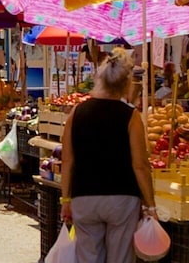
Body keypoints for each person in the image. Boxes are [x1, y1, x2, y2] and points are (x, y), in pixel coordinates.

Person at [60, 48, 159, 263]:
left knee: (88, 257)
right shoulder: (131, 116)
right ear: (126, 83)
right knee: (121, 258)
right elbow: (140, 165)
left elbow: (67, 160)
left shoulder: (77, 112)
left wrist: (65, 199)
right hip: (122, 200)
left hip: (84, 197)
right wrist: (150, 205)